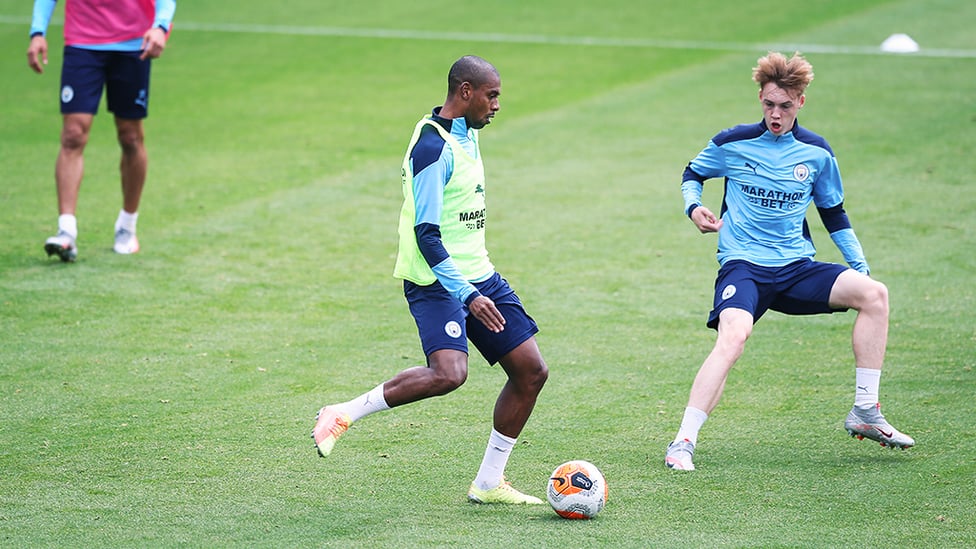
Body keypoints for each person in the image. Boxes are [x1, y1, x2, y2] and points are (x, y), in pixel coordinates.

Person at [312, 55, 549, 504]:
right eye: (491, 95)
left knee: (531, 371)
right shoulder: (431, 148)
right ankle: (342, 413)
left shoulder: (466, 132)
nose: (497, 105)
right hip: (436, 281)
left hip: (478, 272)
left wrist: (477, 287)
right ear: (465, 91)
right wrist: (468, 295)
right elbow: (427, 236)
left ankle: (488, 483)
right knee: (449, 373)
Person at [664, 51, 914, 471]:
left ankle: (866, 411)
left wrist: (860, 267)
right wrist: (694, 208)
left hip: (797, 269)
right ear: (759, 99)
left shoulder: (817, 153)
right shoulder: (733, 142)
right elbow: (693, 173)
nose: (775, 114)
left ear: (801, 101)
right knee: (734, 337)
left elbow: (833, 213)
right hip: (744, 266)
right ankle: (682, 441)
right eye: (768, 104)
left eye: (784, 105)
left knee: (875, 295)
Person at [27, 0, 177, 262]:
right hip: (82, 44)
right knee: (73, 134)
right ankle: (66, 231)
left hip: (134, 44)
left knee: (130, 137)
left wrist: (160, 26)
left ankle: (127, 226)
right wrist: (37, 31)